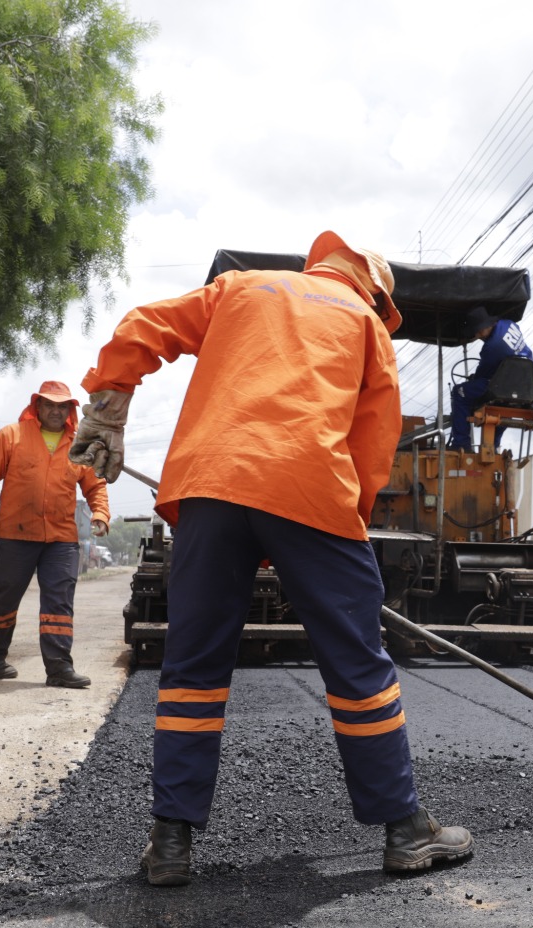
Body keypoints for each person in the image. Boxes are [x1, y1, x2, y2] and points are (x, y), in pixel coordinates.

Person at [71, 230, 473, 887]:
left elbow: (144, 326)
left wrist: (109, 406)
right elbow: (372, 447)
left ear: (320, 265)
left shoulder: (241, 288)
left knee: (193, 664)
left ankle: (170, 843)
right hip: (310, 488)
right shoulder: (366, 325)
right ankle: (405, 831)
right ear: (376, 293)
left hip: (209, 485)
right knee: (357, 662)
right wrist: (331, 535)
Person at [0, 381, 110, 689]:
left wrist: (100, 514)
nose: (56, 411)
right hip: (16, 534)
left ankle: (59, 668)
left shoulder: (80, 444)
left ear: (70, 410)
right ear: (37, 406)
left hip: (61, 539)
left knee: (59, 603)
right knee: (4, 597)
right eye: (49, 404)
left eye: (62, 406)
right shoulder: (11, 436)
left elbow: (95, 485)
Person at [447, 305, 533, 451]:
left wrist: (473, 379)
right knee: (503, 406)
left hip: (503, 387)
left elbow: (482, 374)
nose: (478, 336)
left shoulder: (491, 347)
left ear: (482, 328)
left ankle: (461, 443)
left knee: (459, 392)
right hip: (527, 385)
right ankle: (493, 446)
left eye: (478, 332)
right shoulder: (509, 324)